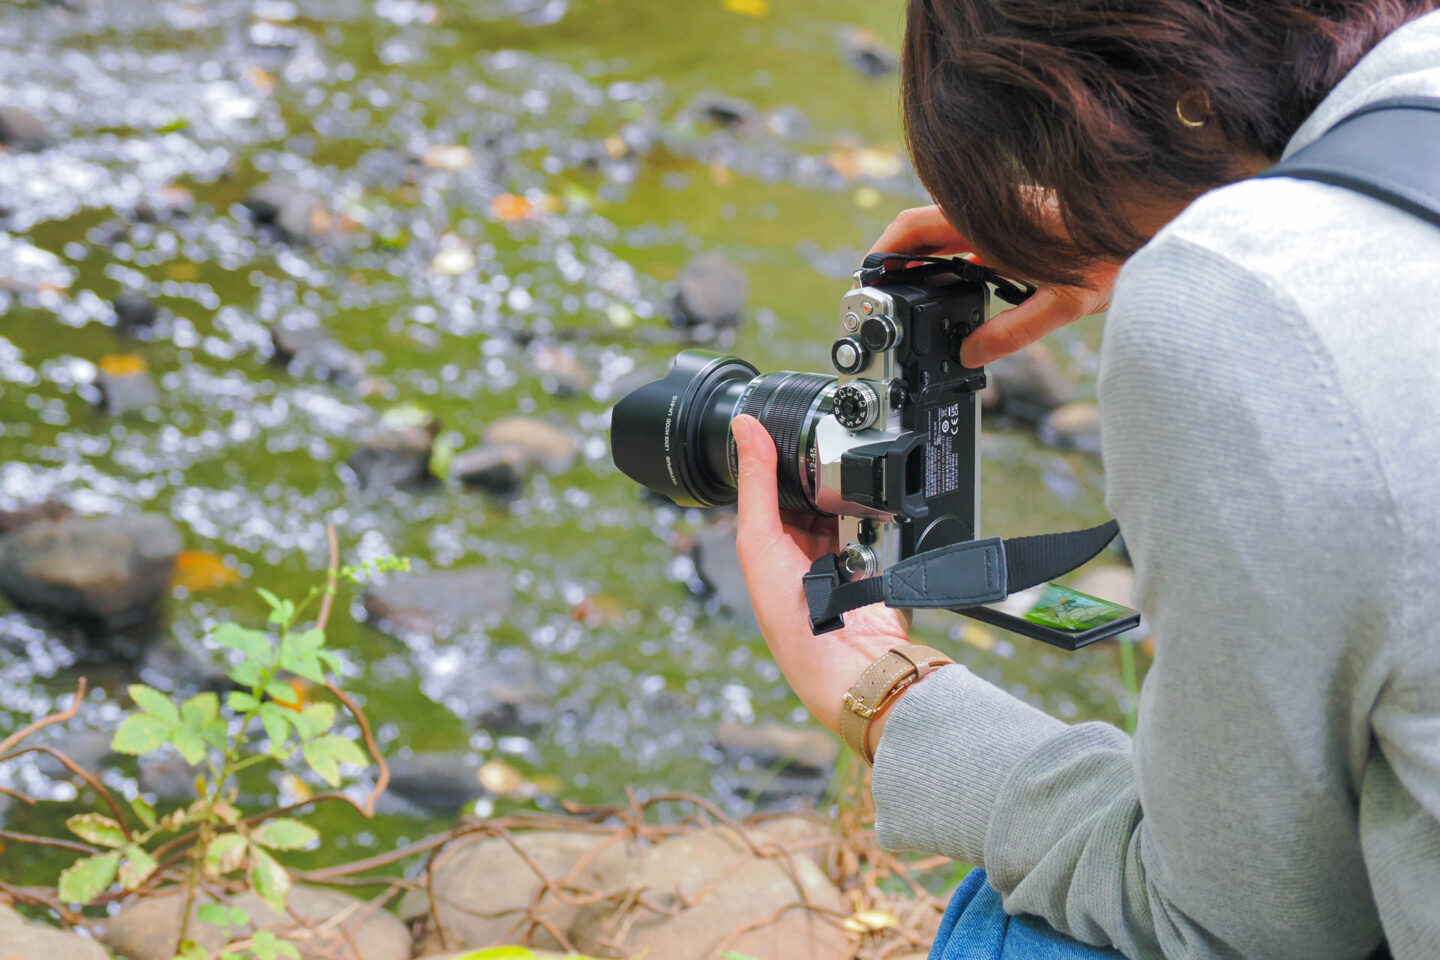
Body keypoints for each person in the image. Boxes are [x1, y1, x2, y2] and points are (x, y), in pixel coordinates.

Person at [731, 2, 1440, 958]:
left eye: (1041, 164)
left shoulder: (1239, 301)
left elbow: (1243, 922)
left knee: (1013, 929)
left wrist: (889, 698)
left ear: (1089, 108)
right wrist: (1165, 214)